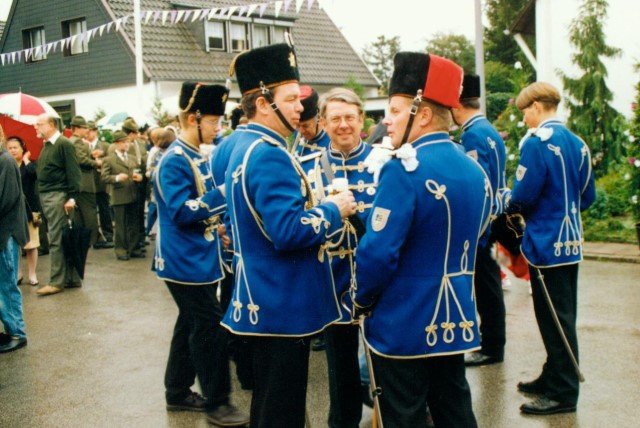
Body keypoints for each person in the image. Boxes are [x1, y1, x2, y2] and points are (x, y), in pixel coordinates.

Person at [220, 43, 357, 427]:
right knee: (282, 411)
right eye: (292, 99)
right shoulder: (269, 153)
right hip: (283, 301)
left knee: (270, 405)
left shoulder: (243, 144)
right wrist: (333, 209)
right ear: (263, 103)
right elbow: (287, 231)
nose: (301, 107)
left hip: (262, 295)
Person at [354, 52, 492, 427]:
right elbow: (481, 230)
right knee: (454, 411)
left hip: (404, 320)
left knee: (404, 416)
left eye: (396, 110)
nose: (387, 119)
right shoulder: (474, 169)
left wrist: (361, 298)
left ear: (424, 114)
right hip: (455, 318)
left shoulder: (402, 170)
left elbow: (378, 253)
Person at [153, 82, 248, 426]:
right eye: (214, 122)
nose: (218, 129)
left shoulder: (196, 155)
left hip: (199, 257)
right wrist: (222, 193)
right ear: (194, 119)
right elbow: (181, 211)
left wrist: (217, 225)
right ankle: (217, 403)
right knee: (209, 327)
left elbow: (200, 208)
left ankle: (177, 390)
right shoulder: (174, 161)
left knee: (189, 323)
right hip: (183, 262)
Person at [508, 82, 595, 415]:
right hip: (571, 242)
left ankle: (564, 392)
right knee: (561, 315)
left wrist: (511, 206)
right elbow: (588, 196)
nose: (524, 119)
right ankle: (554, 374)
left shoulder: (537, 143)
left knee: (554, 320)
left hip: (545, 242)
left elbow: (523, 195)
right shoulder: (578, 143)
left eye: (525, 112)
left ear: (537, 107)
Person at [300, 87, 375, 428]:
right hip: (332, 280)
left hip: (378, 278)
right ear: (323, 122)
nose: (343, 125)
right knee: (340, 369)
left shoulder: (384, 163)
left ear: (361, 120)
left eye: (349, 117)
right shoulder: (308, 168)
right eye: (335, 118)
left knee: (386, 364)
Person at [451, 74, 508, 367]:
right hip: (497, 213)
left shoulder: (472, 134)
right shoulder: (488, 129)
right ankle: (493, 344)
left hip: (484, 220)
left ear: (457, 104)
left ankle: (491, 346)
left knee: (486, 287)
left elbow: (477, 182)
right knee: (490, 283)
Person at [33, 114, 82, 296]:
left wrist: (72, 198)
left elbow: (74, 172)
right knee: (63, 237)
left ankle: (56, 282)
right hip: (49, 196)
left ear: (52, 125)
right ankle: (71, 279)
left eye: (39, 124)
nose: (36, 127)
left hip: (57, 196)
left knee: (57, 238)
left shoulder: (63, 144)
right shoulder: (48, 145)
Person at [0, 143, 29, 353]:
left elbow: (6, 200)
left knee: (6, 285)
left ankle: (17, 333)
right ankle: (10, 330)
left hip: (5, 233)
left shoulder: (5, 161)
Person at [101, 131, 144, 261]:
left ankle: (134, 248)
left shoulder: (132, 158)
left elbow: (138, 172)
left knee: (134, 223)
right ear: (117, 143)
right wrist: (117, 178)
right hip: (119, 195)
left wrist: (140, 177)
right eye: (124, 142)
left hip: (133, 193)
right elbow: (104, 177)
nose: (127, 144)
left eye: (128, 142)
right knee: (120, 225)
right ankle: (121, 250)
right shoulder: (109, 160)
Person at [6, 137, 41, 286]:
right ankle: (18, 273)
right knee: (15, 244)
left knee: (31, 243)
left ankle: (32, 273)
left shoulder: (29, 165)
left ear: (23, 149)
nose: (12, 150)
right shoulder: (6, 165)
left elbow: (34, 175)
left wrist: (26, 160)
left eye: (15, 147)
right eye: (9, 148)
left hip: (29, 209)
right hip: (12, 209)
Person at [69, 116, 100, 246]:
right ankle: (95, 240)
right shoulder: (77, 142)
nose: (87, 130)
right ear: (77, 128)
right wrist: (96, 162)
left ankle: (84, 240)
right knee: (89, 213)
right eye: (84, 127)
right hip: (85, 183)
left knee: (80, 215)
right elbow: (81, 160)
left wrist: (91, 155)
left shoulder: (71, 141)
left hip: (78, 184)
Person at [293, 85, 331, 157]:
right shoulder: (297, 135)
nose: (301, 131)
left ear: (319, 118)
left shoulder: (332, 141)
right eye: (298, 126)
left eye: (305, 126)